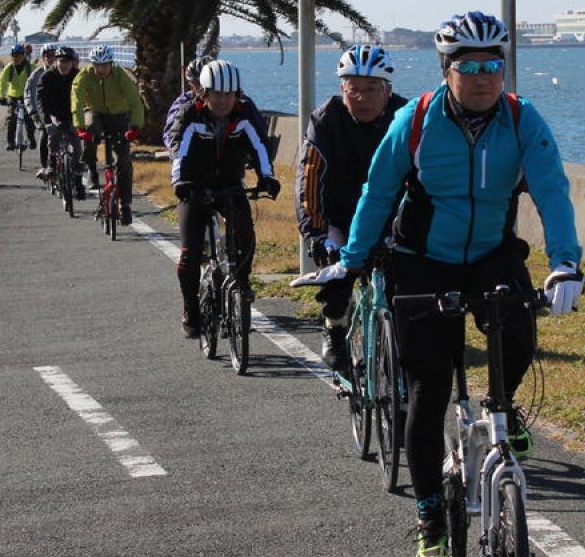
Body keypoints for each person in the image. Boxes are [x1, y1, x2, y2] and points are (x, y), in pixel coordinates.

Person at [297, 11, 585, 557]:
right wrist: (352, 262)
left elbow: (552, 190)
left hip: (490, 254)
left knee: (522, 337)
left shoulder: (523, 120)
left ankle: (507, 412)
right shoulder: (416, 119)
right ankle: (430, 519)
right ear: (446, 71)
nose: (483, 78)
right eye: (468, 66)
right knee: (428, 389)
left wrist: (566, 264)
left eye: (493, 66)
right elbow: (378, 194)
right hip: (421, 261)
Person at [295, 44, 407, 374]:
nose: (362, 97)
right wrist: (317, 233)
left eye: (372, 88)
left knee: (408, 285)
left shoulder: (406, 118)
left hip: (392, 215)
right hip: (340, 215)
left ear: (388, 89)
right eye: (353, 89)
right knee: (338, 276)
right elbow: (309, 179)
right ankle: (333, 329)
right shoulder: (326, 120)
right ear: (342, 89)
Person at [167, 60, 281, 338]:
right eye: (216, 94)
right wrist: (180, 181)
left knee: (245, 235)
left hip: (230, 184)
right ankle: (191, 307)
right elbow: (179, 149)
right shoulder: (189, 115)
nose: (223, 100)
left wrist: (267, 177)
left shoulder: (244, 115)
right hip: (193, 185)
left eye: (229, 94)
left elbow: (260, 147)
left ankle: (241, 285)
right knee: (190, 253)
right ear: (203, 93)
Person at [71, 45, 145, 224]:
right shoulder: (84, 76)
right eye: (97, 65)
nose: (101, 69)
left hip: (119, 116)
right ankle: (91, 169)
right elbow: (77, 100)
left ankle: (126, 204)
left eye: (104, 65)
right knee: (89, 131)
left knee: (124, 161)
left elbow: (135, 99)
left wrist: (135, 126)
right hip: (95, 112)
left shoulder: (120, 76)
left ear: (111, 64)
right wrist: (79, 126)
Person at [163, 54, 269, 155]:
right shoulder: (184, 102)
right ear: (191, 86)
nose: (204, 90)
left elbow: (259, 129)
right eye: (198, 85)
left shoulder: (240, 101)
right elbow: (171, 133)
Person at [37, 46, 83, 195]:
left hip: (71, 114)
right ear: (56, 62)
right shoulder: (47, 77)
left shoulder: (78, 76)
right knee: (53, 139)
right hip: (54, 114)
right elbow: (41, 101)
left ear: (72, 63)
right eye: (61, 61)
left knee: (76, 147)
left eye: (68, 62)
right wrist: (47, 122)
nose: (64, 65)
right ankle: (51, 167)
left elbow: (85, 97)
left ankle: (77, 180)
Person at [23, 44, 58, 176]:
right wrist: (32, 111)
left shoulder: (63, 71)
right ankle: (45, 166)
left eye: (54, 55)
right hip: (41, 113)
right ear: (43, 58)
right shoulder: (35, 76)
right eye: (48, 56)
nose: (51, 58)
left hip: (59, 112)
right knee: (44, 135)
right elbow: (27, 94)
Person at [0, 44, 34, 151]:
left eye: (19, 56)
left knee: (30, 118)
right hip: (13, 97)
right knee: (11, 119)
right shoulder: (9, 68)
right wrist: (2, 97)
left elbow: (38, 79)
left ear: (24, 56)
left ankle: (31, 138)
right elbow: (2, 82)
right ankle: (10, 142)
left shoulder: (30, 67)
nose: (16, 58)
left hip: (27, 97)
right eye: (14, 56)